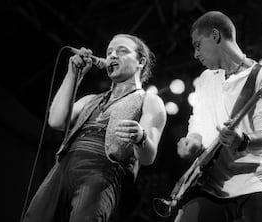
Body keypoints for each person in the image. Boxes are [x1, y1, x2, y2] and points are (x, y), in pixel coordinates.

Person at [23, 34, 167, 222]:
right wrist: (73, 75)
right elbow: (56, 121)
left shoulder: (150, 100)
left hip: (101, 173)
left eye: (121, 51)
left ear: (140, 61)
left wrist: (140, 137)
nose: (113, 55)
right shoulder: (90, 99)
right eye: (109, 52)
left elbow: (148, 157)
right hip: (62, 168)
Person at [175, 11, 262, 222]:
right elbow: (197, 125)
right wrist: (191, 143)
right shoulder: (205, 80)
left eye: (198, 45)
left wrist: (243, 141)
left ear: (215, 36)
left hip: (256, 181)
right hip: (209, 184)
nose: (196, 55)